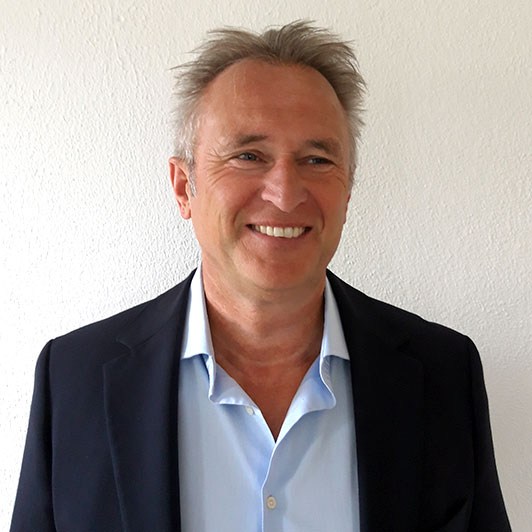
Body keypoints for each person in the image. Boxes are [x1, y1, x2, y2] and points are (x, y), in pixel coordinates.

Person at [11, 21, 511, 532]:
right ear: (184, 187)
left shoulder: (444, 376)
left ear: (348, 192)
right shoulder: (74, 380)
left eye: (317, 159)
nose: (285, 193)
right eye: (248, 156)